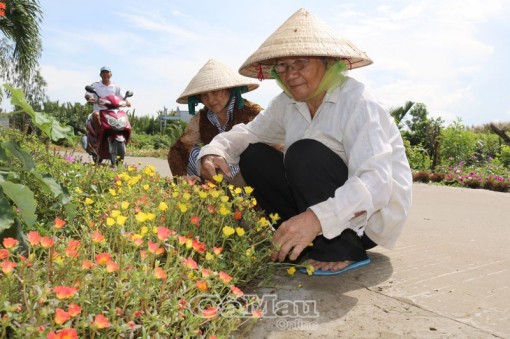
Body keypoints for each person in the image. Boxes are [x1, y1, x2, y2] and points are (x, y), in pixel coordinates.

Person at [198, 8, 413, 276]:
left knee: (304, 152)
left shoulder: (357, 101)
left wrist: (316, 219)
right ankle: (304, 240)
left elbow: (377, 181)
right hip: (315, 215)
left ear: (327, 62)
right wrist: (213, 151)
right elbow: (248, 134)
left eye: (300, 63)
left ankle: (342, 248)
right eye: (283, 67)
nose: (290, 74)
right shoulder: (286, 103)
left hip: (365, 223)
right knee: (254, 155)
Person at [167, 59, 263, 178]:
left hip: (247, 175)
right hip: (214, 174)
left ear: (229, 89)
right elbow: (178, 149)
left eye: (215, 92)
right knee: (194, 153)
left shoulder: (252, 112)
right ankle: (209, 190)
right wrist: (182, 177)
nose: (210, 100)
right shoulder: (201, 118)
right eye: (204, 95)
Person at [84, 66, 131, 135]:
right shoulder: (95, 85)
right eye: (103, 73)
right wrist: (90, 98)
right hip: (99, 111)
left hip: (113, 111)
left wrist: (127, 101)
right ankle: (98, 134)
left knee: (124, 116)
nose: (105, 74)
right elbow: (88, 94)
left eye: (107, 72)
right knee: (95, 115)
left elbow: (123, 97)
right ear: (100, 75)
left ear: (111, 74)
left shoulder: (115, 86)